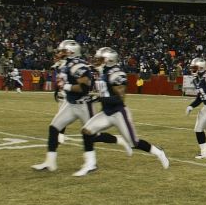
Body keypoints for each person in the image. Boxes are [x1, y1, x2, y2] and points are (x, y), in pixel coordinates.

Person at [72, 47, 170, 176]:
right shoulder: (102, 72)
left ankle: (158, 151)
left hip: (119, 113)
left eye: (100, 59)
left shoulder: (117, 74)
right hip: (106, 113)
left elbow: (120, 98)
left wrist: (99, 98)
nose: (96, 61)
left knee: (134, 143)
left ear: (109, 60)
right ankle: (90, 164)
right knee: (86, 131)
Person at [32, 40, 119, 172]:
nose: (58, 53)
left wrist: (65, 87)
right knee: (54, 128)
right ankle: (50, 162)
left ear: (71, 52)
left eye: (62, 51)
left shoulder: (77, 65)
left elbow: (84, 88)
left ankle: (94, 161)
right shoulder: (64, 64)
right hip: (72, 104)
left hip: (84, 105)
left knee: (93, 135)